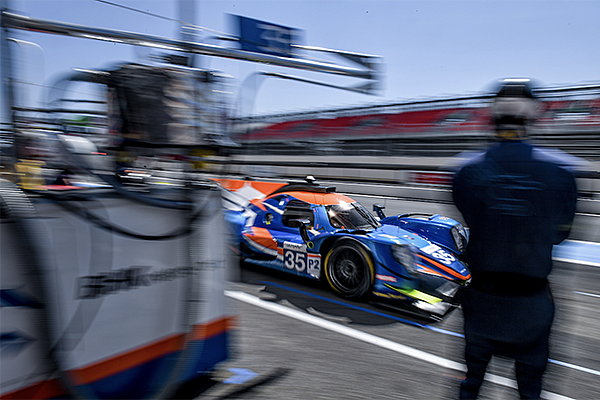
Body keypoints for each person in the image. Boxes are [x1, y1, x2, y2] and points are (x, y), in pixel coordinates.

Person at [452, 79, 578, 400]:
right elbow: (561, 235)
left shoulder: (464, 171)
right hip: (531, 302)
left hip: (482, 300)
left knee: (471, 383)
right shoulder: (562, 173)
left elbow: (470, 218)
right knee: (530, 389)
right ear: (532, 116)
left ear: (493, 116)